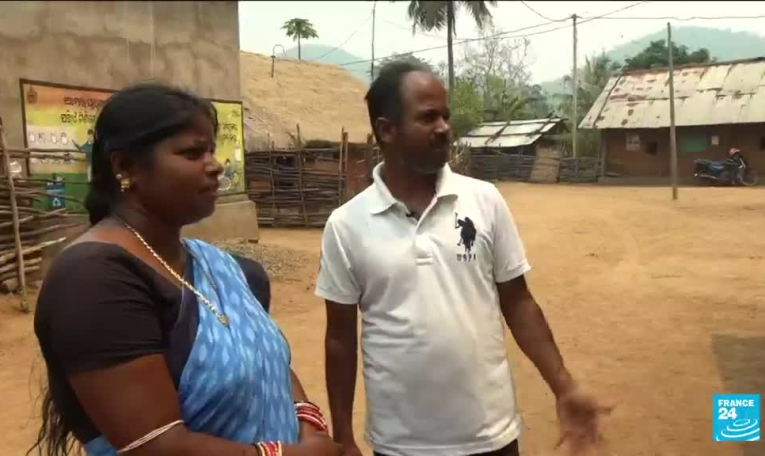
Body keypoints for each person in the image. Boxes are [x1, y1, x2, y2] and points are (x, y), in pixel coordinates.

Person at [317, 62, 612, 456]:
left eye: (445, 116)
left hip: (491, 437)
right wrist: (343, 436)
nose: (444, 127)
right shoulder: (346, 225)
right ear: (387, 130)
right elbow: (339, 338)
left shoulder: (484, 200)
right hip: (401, 444)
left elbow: (518, 302)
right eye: (428, 117)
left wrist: (564, 386)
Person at [32, 83, 342, 456]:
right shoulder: (94, 281)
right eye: (193, 153)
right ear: (124, 166)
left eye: (211, 150)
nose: (215, 165)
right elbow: (155, 446)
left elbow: (269, 365)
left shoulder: (221, 266)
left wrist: (308, 423)